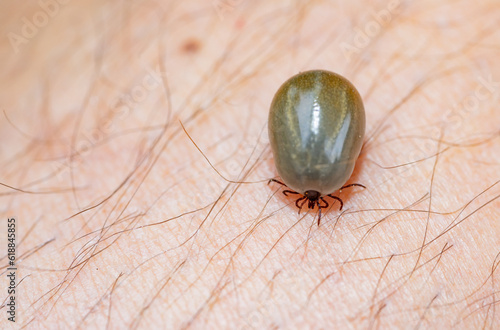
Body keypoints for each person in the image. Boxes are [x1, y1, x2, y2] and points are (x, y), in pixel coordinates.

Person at [2, 0, 499, 328]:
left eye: (311, 199)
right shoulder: (329, 181)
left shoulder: (304, 179)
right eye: (313, 200)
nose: (310, 202)